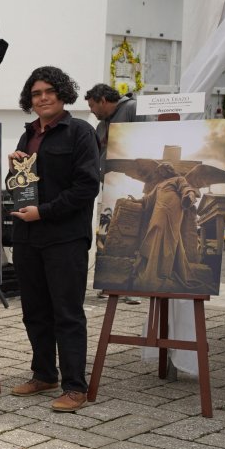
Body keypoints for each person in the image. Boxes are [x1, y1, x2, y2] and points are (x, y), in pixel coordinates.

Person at [8, 67, 101, 412]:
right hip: (27, 237)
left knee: (67, 313)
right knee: (34, 311)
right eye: (35, 93)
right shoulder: (28, 134)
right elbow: (22, 186)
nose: (42, 98)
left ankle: (76, 386)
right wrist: (13, 168)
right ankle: (44, 374)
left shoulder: (80, 132)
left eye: (49, 91)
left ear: (62, 94)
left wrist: (44, 212)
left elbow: (87, 186)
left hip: (65, 238)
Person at [85, 83, 144, 304]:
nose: (91, 110)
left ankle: (130, 287)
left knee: (130, 235)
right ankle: (109, 284)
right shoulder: (102, 125)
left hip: (131, 185)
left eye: (92, 105)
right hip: (109, 185)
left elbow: (144, 141)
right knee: (108, 234)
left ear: (103, 100)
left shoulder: (132, 109)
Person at [131, 162, 203, 292]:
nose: (160, 173)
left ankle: (164, 270)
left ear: (168, 170)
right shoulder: (159, 185)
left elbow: (186, 188)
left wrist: (190, 195)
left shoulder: (178, 179)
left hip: (172, 211)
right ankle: (153, 265)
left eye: (162, 171)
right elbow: (148, 198)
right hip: (159, 211)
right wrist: (137, 200)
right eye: (159, 171)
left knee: (169, 236)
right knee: (155, 231)